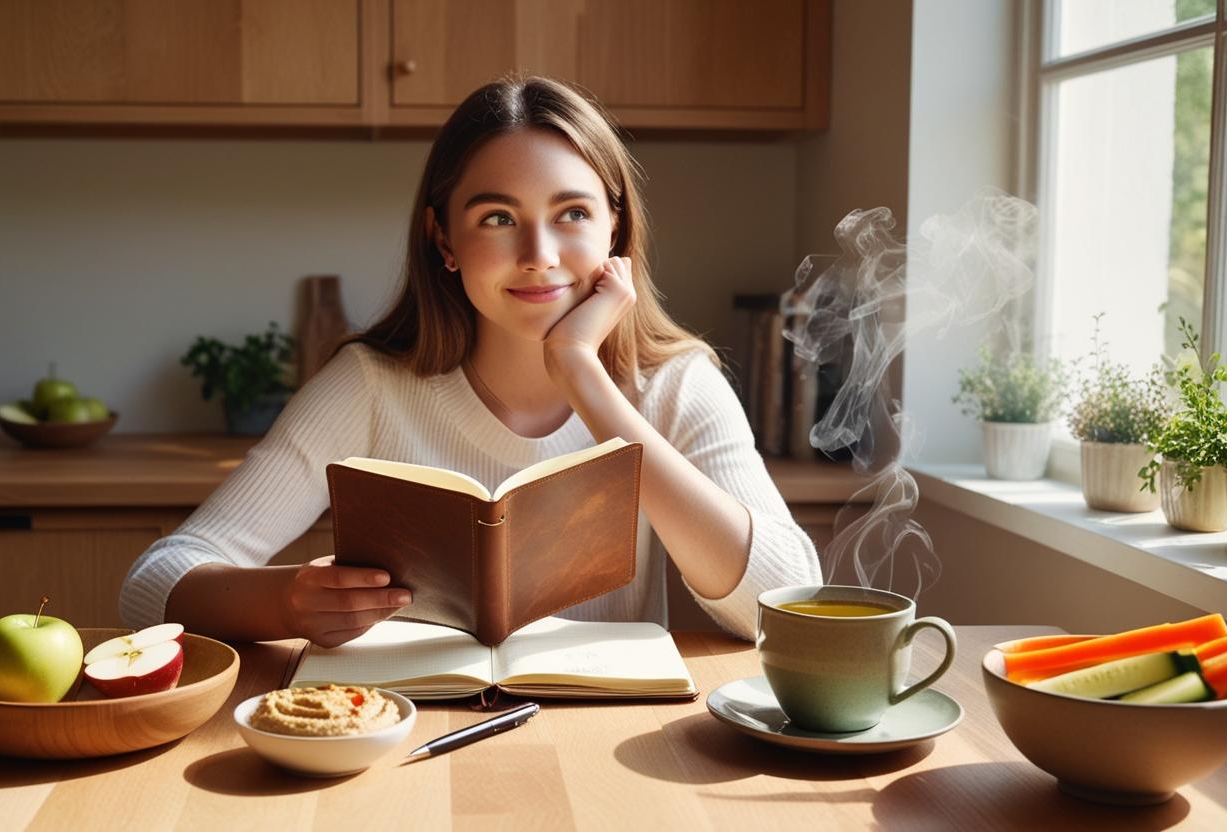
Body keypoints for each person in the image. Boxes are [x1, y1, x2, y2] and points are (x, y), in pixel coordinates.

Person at [119, 75, 821, 646]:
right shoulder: (370, 385)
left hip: (602, 754)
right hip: (408, 747)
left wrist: (585, 378)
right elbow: (151, 586)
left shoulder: (675, 384)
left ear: (616, 227)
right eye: (497, 218)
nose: (539, 254)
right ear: (444, 239)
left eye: (572, 213)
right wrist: (284, 602)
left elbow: (786, 604)